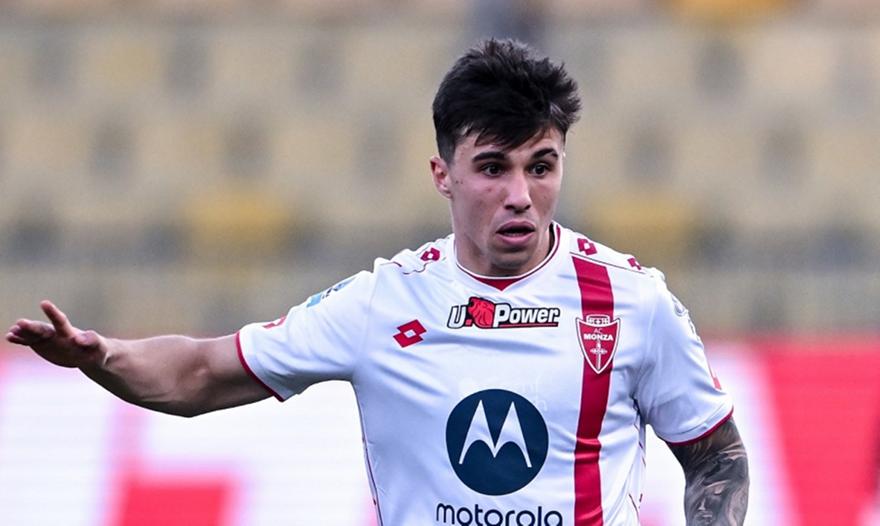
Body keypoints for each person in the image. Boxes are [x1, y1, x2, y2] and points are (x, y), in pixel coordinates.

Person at [6, 39, 748, 525]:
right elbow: (202, 372)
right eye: (493, 168)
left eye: (541, 166)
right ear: (443, 175)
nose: (520, 195)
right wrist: (103, 357)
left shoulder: (631, 301)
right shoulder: (384, 302)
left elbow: (716, 455)